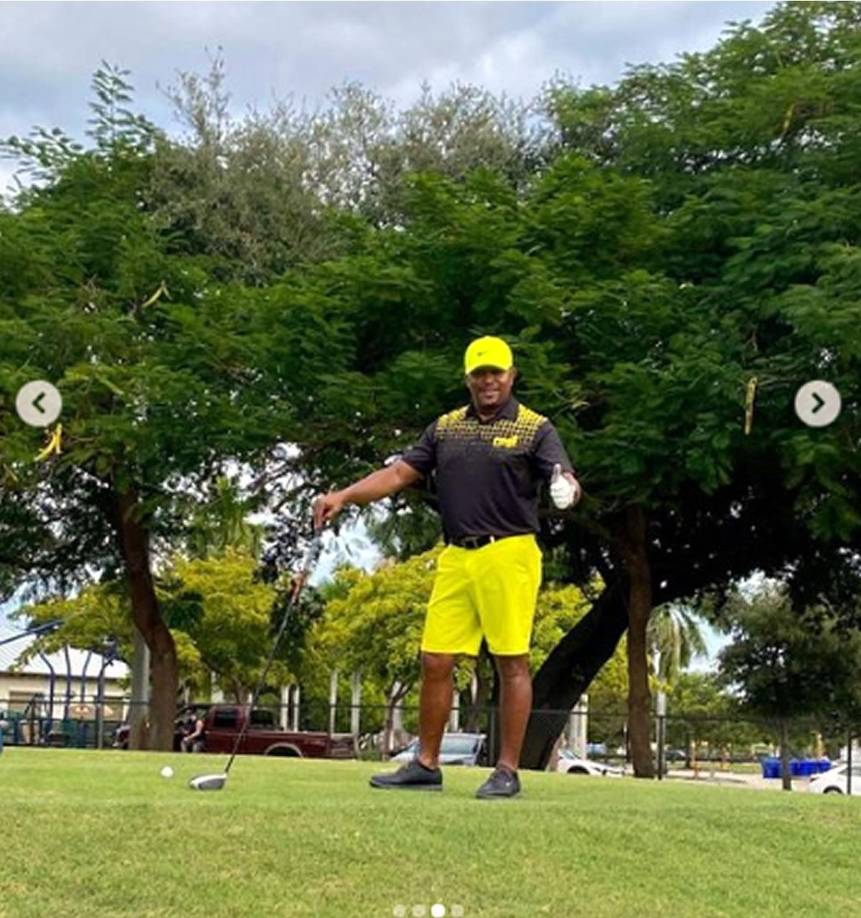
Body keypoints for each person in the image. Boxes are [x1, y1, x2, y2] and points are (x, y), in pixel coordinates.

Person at [313, 336, 580, 798]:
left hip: (509, 552)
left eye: (496, 372)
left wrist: (567, 490)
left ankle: (507, 770)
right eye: (480, 374)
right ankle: (426, 764)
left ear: (512, 376)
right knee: (435, 659)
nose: (488, 381)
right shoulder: (446, 428)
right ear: (468, 379)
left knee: (511, 660)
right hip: (457, 555)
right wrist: (344, 495)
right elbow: (399, 473)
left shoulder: (534, 427)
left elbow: (565, 478)